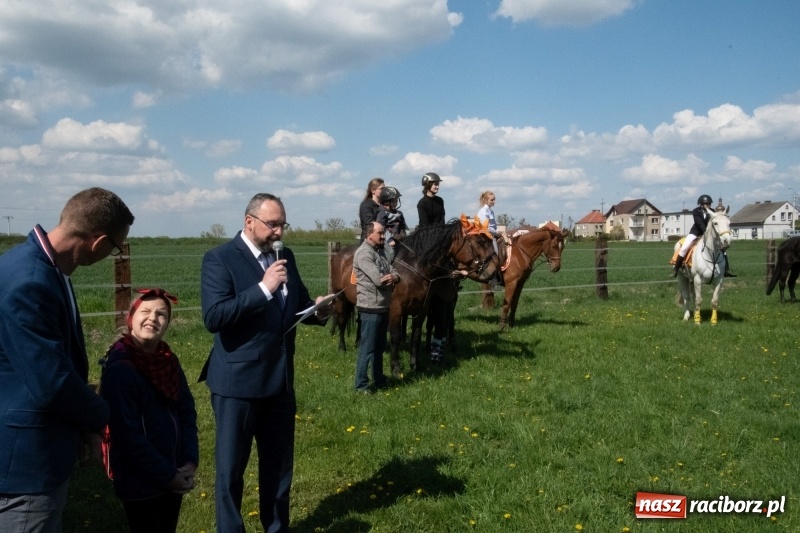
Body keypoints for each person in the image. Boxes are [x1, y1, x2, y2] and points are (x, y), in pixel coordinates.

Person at [0, 187, 134, 533]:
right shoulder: (31, 281)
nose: (112, 253)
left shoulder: (40, 266)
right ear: (97, 241)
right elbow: (51, 382)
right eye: (116, 247)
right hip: (25, 464)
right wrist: (103, 416)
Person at [200, 193, 332, 533]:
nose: (279, 232)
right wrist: (263, 288)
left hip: (280, 382)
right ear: (249, 222)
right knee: (231, 471)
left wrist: (318, 311)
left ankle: (276, 528)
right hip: (238, 385)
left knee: (278, 468)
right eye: (272, 224)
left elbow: (296, 303)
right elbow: (215, 317)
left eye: (282, 224)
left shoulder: (285, 255)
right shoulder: (220, 259)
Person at [99, 288, 198, 533]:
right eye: (145, 311)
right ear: (131, 318)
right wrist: (166, 475)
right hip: (140, 480)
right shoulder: (121, 368)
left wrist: (190, 460)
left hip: (174, 470)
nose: (153, 318)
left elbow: (186, 411)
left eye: (161, 314)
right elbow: (127, 435)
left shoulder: (168, 360)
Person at [353, 221, 400, 394]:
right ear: (369, 234)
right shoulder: (364, 254)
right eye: (380, 233)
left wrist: (393, 277)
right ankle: (361, 384)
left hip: (382, 306)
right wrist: (390, 278)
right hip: (370, 308)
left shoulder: (379, 252)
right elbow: (379, 280)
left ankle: (379, 378)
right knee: (368, 348)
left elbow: (395, 272)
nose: (383, 236)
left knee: (379, 347)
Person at [672, 194, 736, 278]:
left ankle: (726, 270)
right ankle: (676, 269)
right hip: (695, 233)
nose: (707, 205)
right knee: (684, 247)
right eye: (705, 203)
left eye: (708, 203)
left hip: (708, 235)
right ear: (701, 204)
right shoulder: (696, 211)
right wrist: (705, 233)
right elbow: (699, 223)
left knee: (723, 250)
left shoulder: (712, 211)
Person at [477, 191, 508, 285]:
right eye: (492, 200)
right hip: (486, 237)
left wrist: (498, 230)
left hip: (492, 234)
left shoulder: (491, 211)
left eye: (494, 199)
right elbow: (487, 227)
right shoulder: (483, 211)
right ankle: (493, 277)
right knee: (496, 253)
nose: (494, 201)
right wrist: (497, 232)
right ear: (486, 200)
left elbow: (493, 226)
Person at [376, 186, 408, 263]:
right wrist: (389, 240)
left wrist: (407, 237)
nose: (395, 203)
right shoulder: (382, 213)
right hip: (387, 240)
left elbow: (404, 226)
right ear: (386, 202)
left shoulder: (399, 213)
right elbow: (382, 228)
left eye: (396, 201)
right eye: (393, 201)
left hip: (398, 239)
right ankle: (386, 268)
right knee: (390, 252)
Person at [359, 177, 385, 242]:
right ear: (373, 190)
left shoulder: (385, 204)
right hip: (370, 240)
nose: (384, 191)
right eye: (382, 189)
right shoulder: (366, 205)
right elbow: (370, 224)